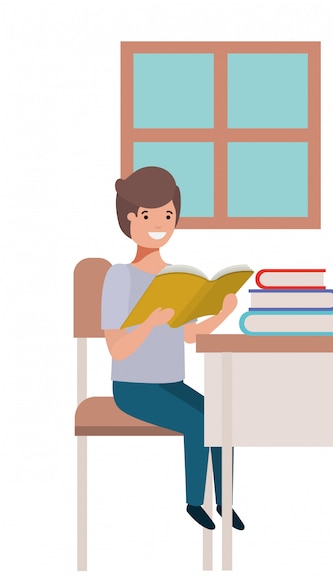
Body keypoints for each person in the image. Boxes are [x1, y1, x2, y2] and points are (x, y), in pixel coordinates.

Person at [101, 166, 244, 531]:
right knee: (199, 422)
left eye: (168, 215)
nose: (159, 224)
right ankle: (195, 502)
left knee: (222, 417)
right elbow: (117, 349)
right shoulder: (120, 276)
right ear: (131, 218)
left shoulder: (176, 277)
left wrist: (223, 312)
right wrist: (149, 321)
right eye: (150, 216)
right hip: (133, 389)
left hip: (171, 384)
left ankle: (225, 502)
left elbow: (190, 336)